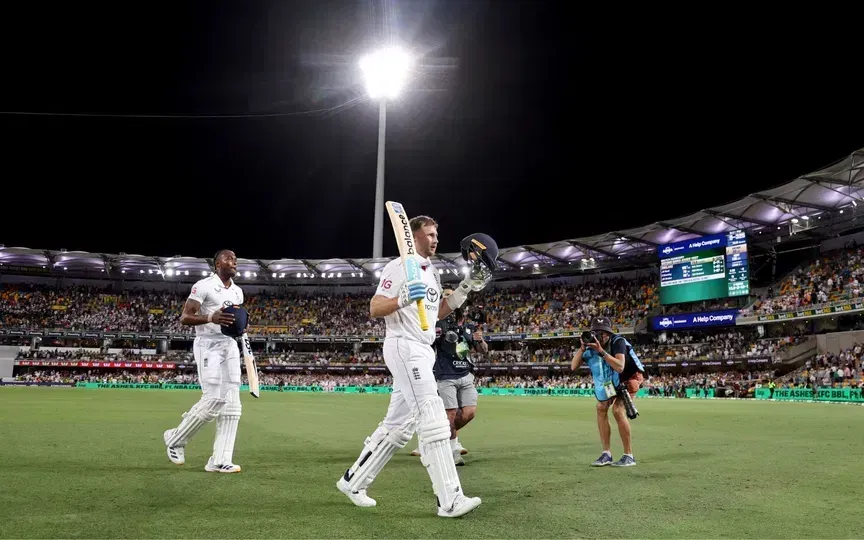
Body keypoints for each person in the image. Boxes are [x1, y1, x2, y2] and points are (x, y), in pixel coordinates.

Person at [336, 216, 489, 518]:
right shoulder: (399, 267)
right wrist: (402, 298)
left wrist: (464, 289)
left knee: (398, 427)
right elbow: (375, 307)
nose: (435, 240)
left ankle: (353, 482)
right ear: (414, 237)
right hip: (404, 345)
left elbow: (436, 312)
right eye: (430, 235)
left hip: (422, 348)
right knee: (432, 418)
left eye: (436, 235)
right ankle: (450, 500)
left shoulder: (429, 271)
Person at [163, 249, 247, 473]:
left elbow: (234, 321)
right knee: (214, 399)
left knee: (232, 405)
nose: (234, 262)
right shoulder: (204, 286)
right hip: (208, 345)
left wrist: (241, 329)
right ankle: (175, 438)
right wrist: (211, 317)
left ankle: (220, 460)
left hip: (229, 346)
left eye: (235, 259)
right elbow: (185, 317)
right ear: (218, 263)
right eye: (229, 259)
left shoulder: (238, 292)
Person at [410, 291, 487, 465]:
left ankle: (431, 438)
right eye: (444, 296)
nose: (448, 299)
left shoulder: (469, 327)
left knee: (469, 413)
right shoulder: (435, 323)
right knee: (450, 414)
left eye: (451, 296)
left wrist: (480, 341)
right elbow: (426, 345)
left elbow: (483, 350)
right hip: (445, 376)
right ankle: (451, 449)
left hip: (466, 375)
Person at [571, 316, 646, 467]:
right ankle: (606, 454)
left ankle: (628, 455)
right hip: (611, 379)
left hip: (628, 378)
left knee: (618, 410)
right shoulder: (589, 346)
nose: (601, 336)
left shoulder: (618, 342)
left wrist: (601, 351)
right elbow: (573, 367)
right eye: (597, 333)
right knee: (601, 407)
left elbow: (620, 367)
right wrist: (582, 348)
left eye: (604, 333)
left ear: (609, 333)